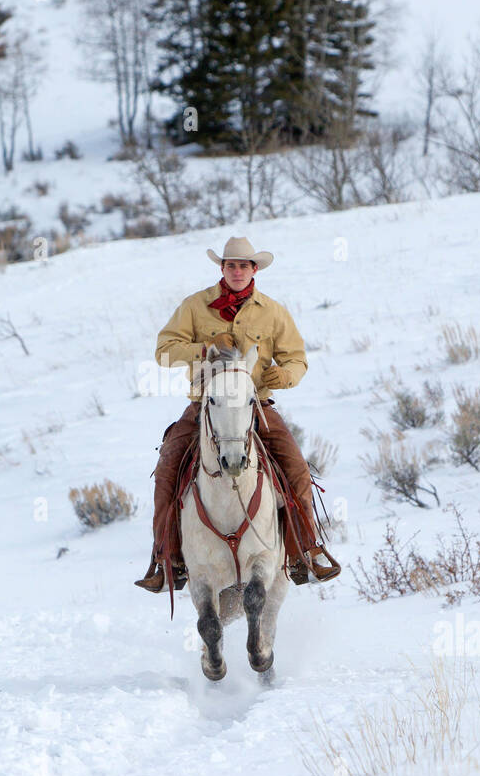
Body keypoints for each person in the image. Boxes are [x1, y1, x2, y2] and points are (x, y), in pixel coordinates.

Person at [135, 236, 341, 592]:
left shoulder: (273, 311)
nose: (237, 271)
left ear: (254, 269)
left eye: (243, 265)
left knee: (296, 470)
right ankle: (166, 559)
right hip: (205, 406)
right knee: (167, 469)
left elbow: (297, 359)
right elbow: (164, 352)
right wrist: (205, 347)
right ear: (222, 268)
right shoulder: (195, 306)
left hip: (256, 405)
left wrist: (286, 375)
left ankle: (304, 552)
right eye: (230, 265)